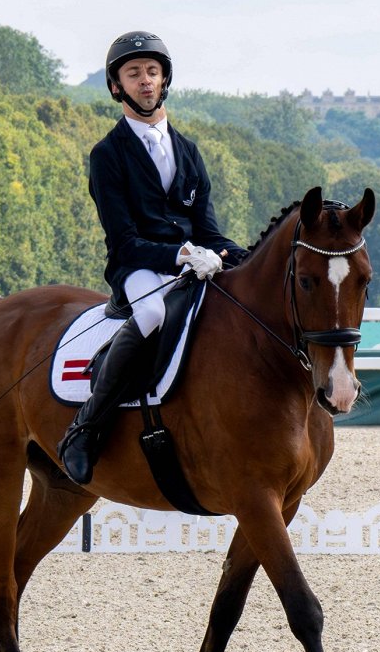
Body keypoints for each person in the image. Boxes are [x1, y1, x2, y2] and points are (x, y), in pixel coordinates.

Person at [58, 31, 245, 485]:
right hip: (138, 268)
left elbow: (209, 231)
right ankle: (86, 427)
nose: (145, 81)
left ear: (165, 80)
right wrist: (181, 255)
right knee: (153, 312)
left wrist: (240, 257)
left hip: (192, 261)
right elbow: (122, 240)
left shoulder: (189, 151)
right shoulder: (107, 155)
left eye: (152, 72)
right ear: (117, 86)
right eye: (134, 73)